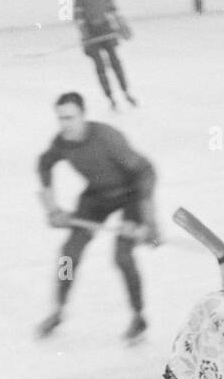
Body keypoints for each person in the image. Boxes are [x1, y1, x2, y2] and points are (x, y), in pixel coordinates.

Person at [35, 91, 159, 343]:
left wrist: (148, 223)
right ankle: (58, 309)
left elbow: (145, 172)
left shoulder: (107, 138)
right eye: (60, 118)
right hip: (97, 197)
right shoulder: (63, 142)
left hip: (130, 194)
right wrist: (51, 208)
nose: (64, 124)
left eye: (70, 118)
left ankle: (138, 316)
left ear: (83, 116)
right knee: (68, 256)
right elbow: (44, 164)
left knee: (122, 257)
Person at [73, 0, 136, 111]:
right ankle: (110, 97)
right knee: (100, 66)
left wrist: (121, 25)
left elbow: (112, 9)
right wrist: (85, 34)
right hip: (90, 31)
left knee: (116, 62)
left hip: (105, 29)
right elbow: (78, 15)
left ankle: (126, 92)